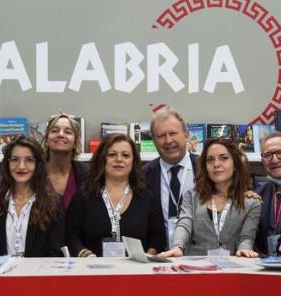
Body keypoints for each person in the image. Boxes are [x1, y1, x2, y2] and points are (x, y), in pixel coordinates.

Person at [67, 133, 166, 257]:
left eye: (125, 155)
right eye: (112, 154)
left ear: (133, 161)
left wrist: (148, 256)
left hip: (135, 271)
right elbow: (71, 235)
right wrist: (84, 254)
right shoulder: (84, 196)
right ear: (102, 159)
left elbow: (158, 237)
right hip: (92, 269)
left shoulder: (147, 197)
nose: (119, 159)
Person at [159, 137, 261, 258]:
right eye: (210, 160)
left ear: (235, 164)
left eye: (224, 158)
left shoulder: (251, 203)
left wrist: (245, 249)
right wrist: (177, 246)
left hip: (231, 270)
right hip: (194, 270)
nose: (216, 164)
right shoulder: (192, 196)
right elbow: (184, 224)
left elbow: (247, 237)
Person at [0, 136, 65, 257]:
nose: (21, 166)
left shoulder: (54, 203)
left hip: (37, 274)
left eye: (29, 160)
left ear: (37, 165)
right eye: (15, 159)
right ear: (7, 163)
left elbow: (54, 252)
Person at [143, 108, 198, 248]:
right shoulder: (143, 176)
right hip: (158, 256)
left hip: (199, 257)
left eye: (173, 133)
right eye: (161, 136)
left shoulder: (206, 169)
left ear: (186, 135)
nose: (168, 141)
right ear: (154, 140)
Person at [43, 112, 87, 209]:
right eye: (55, 131)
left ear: (75, 143)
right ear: (46, 140)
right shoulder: (34, 172)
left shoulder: (87, 174)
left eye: (68, 132)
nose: (61, 135)